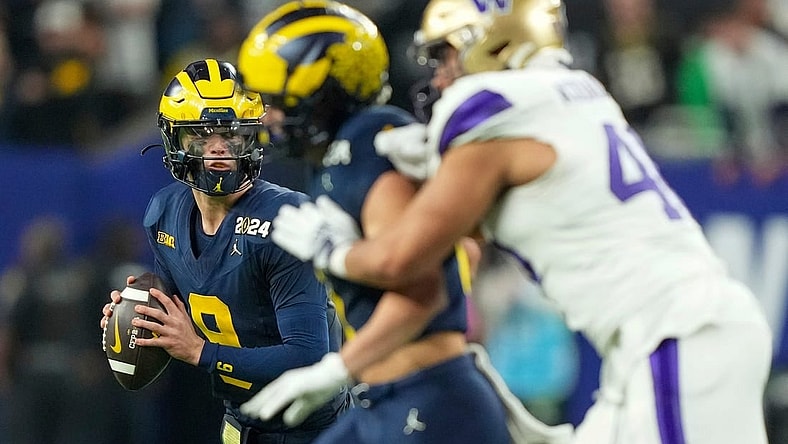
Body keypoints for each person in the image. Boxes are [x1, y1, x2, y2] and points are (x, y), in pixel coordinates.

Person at [261, 1, 774, 443]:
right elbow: (469, 238)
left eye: (445, 55)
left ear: (492, 43)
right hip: (665, 338)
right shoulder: (571, 90)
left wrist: (334, 250)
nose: (439, 76)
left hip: (674, 333)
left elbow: (404, 257)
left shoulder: (487, 113)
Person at [234, 2, 514, 443]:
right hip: (387, 399)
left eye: (277, 101)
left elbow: (423, 291)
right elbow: (464, 254)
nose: (267, 116)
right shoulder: (334, 157)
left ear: (323, 92)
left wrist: (337, 367)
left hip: (427, 398)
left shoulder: (368, 146)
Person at [98, 58, 350, 444]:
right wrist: (139, 320)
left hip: (312, 430)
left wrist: (202, 352)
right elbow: (176, 315)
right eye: (201, 134)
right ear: (174, 139)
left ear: (252, 139)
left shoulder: (285, 221)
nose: (218, 149)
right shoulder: (163, 214)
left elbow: (309, 355)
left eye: (232, 134)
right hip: (239, 424)